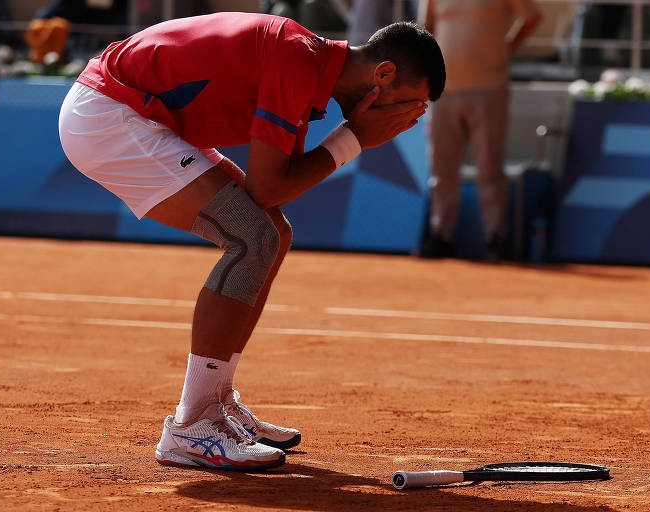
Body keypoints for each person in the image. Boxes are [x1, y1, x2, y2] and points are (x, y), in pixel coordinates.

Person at [59, 12, 445, 471]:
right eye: (408, 105)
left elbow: (273, 187)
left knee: (272, 233)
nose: (405, 120)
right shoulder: (298, 60)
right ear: (383, 74)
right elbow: (269, 188)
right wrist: (355, 137)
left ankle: (216, 402)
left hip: (137, 112)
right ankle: (192, 425)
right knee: (251, 236)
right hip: (110, 113)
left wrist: (353, 136)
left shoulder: (308, 62)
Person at [417, 0, 540, 261]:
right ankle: (440, 235)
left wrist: (505, 50)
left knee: (489, 168)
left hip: (489, 89)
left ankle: (496, 239)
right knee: (441, 168)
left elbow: (532, 17)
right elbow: (425, 29)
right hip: (442, 91)